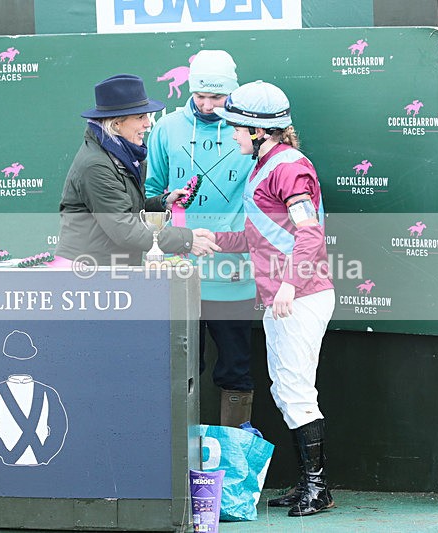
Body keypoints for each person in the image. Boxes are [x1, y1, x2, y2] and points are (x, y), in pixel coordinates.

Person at [211, 80, 336, 517]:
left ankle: (318, 490)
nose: (232, 135)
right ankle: (309, 484)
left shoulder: (289, 167)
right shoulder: (266, 165)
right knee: (285, 390)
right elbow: (258, 234)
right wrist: (212, 239)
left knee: (296, 391)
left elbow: (309, 234)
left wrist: (287, 285)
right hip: (282, 297)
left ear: (259, 131)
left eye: (237, 129)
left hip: (298, 297)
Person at [146, 50, 257, 427]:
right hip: (179, 272)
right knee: (180, 367)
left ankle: (234, 463)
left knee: (236, 370)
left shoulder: (250, 132)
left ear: (233, 92)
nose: (208, 105)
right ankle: (179, 465)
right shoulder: (167, 128)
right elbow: (150, 193)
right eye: (200, 96)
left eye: (218, 97)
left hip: (232, 273)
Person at [51, 74, 219, 267]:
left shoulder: (122, 155)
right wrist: (186, 240)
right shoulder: (96, 165)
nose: (148, 123)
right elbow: (125, 231)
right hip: (88, 272)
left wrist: (163, 202)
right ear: (116, 124)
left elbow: (126, 207)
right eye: (140, 117)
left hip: (107, 268)